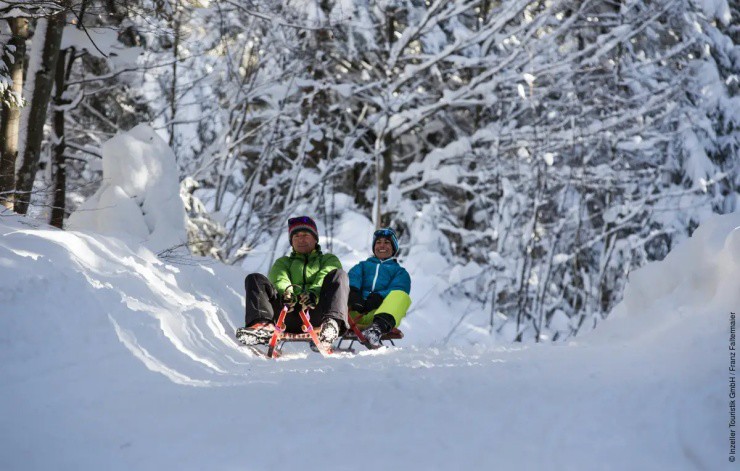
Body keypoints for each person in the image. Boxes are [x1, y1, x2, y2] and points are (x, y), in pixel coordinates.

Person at [236, 216, 349, 349]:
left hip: (317, 313)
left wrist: (313, 294)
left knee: (339, 275)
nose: (301, 239)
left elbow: (326, 274)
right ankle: (263, 327)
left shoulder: (328, 259)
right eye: (296, 236)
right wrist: (287, 293)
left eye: (306, 235)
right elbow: (279, 278)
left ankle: (331, 326)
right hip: (287, 315)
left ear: (315, 238)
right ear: (291, 241)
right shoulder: (283, 262)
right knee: (255, 278)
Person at [348, 227, 412, 348]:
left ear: (393, 248)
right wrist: (354, 293)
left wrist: (379, 296)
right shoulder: (363, 266)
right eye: (378, 242)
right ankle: (329, 328)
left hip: (378, 315)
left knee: (401, 296)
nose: (382, 245)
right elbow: (353, 276)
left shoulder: (400, 272)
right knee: (338, 283)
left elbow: (399, 287)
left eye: (387, 242)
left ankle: (375, 330)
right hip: (353, 314)